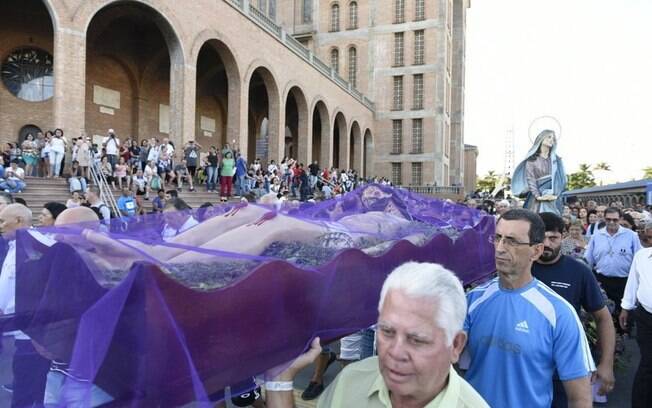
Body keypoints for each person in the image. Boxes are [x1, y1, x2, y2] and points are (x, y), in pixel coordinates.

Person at [266, 262, 489, 408]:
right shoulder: (351, 380)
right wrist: (281, 379)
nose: (395, 352)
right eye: (387, 331)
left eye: (417, 339)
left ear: (456, 345)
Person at [463, 209, 593, 408]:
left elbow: (580, 398)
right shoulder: (473, 300)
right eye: (497, 238)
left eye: (512, 241)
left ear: (536, 251)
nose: (500, 248)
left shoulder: (559, 313)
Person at [532, 212, 616, 406]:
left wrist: (606, 363)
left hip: (565, 367)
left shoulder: (579, 271)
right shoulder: (523, 267)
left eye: (553, 238)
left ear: (564, 237)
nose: (546, 243)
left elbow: (603, 318)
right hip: (526, 366)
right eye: (541, 238)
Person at [0, 204, 51, 407]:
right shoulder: (14, 245)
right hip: (16, 327)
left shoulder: (38, 246)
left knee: (27, 389)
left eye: (3, 221)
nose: (1, 225)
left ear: (19, 221)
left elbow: (45, 289)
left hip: (30, 333)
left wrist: (39, 331)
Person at [584, 207, 641, 333]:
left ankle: (624, 337)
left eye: (615, 220)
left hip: (624, 282)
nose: (611, 222)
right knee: (604, 314)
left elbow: (639, 259)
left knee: (625, 314)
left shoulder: (631, 236)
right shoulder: (596, 236)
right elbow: (588, 260)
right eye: (608, 219)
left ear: (620, 219)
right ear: (604, 219)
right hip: (602, 281)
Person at [619, 241, 652, 408]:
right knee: (648, 362)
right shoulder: (642, 256)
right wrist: (625, 307)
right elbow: (632, 283)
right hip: (646, 317)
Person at [511, 129, 566, 215]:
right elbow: (531, 180)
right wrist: (538, 196)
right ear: (541, 138)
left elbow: (562, 179)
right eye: (549, 137)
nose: (552, 140)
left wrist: (555, 194)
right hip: (538, 198)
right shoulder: (532, 160)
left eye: (553, 138)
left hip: (554, 198)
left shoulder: (556, 160)